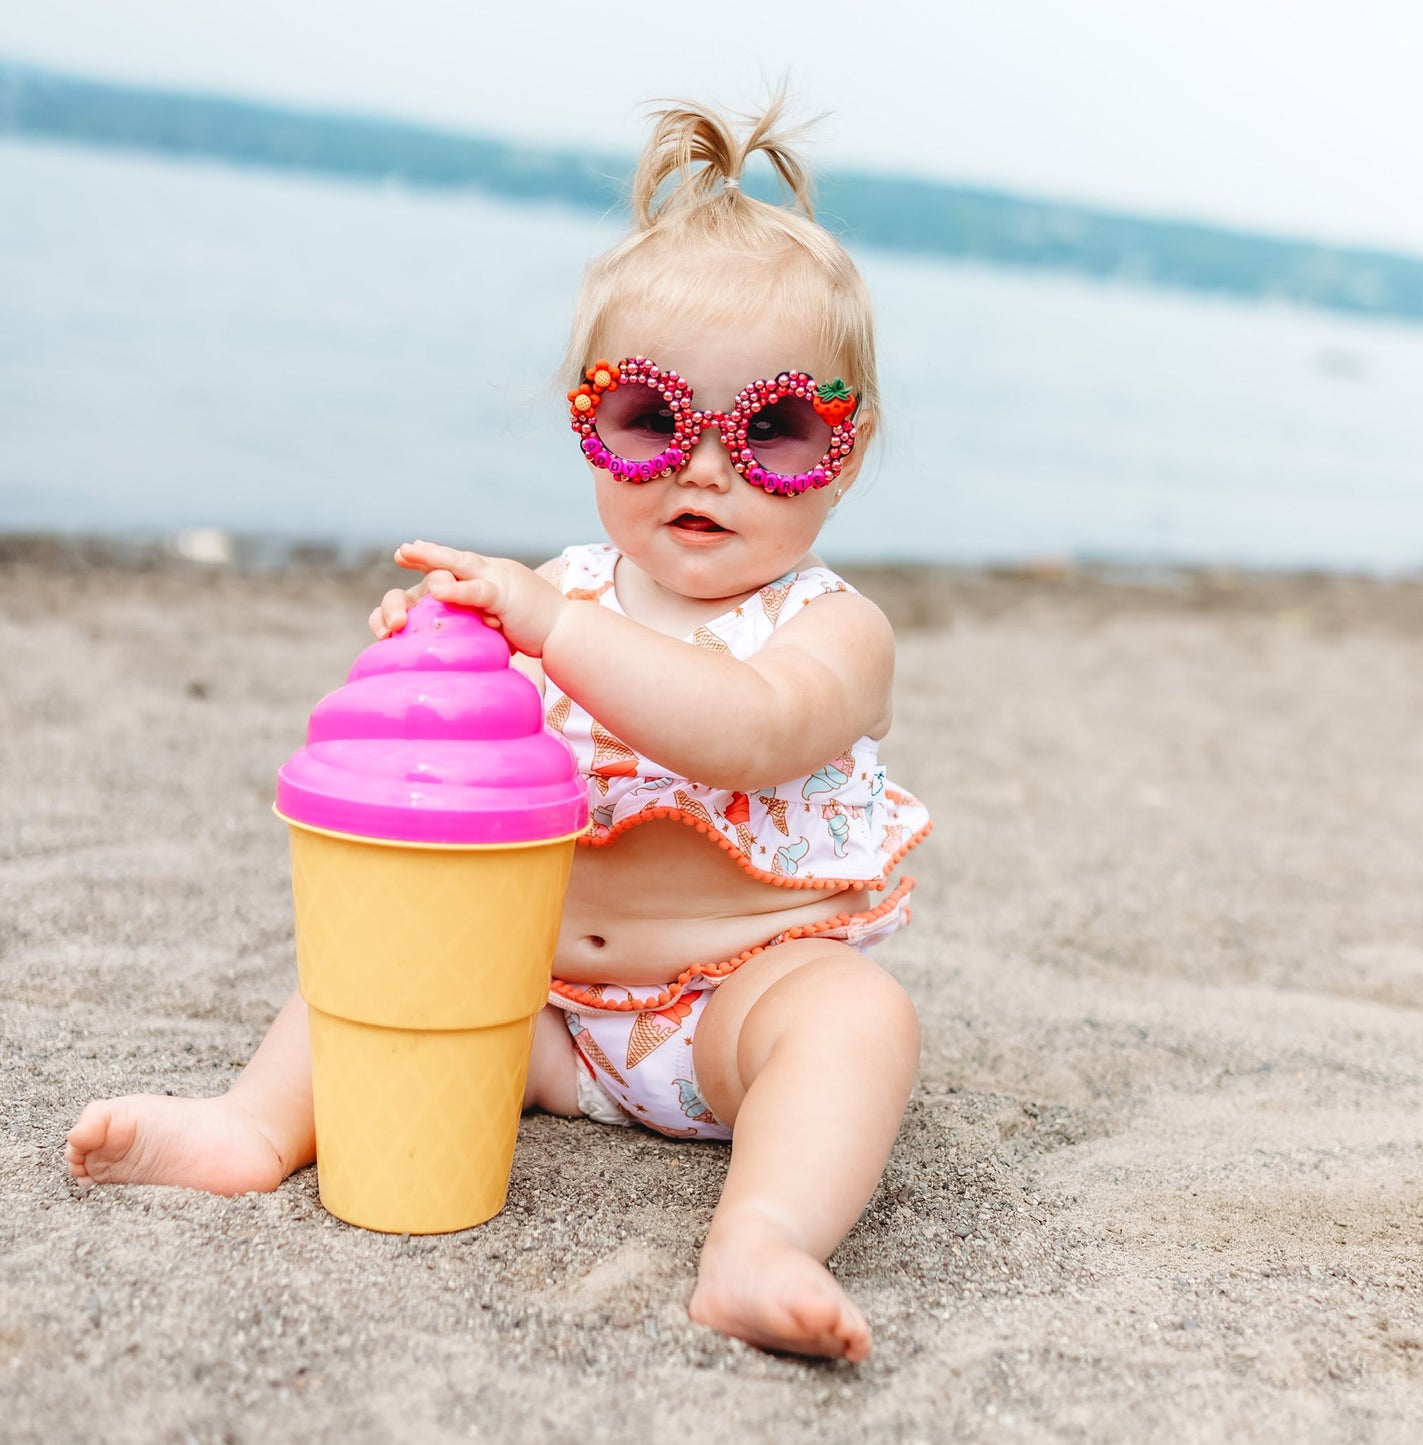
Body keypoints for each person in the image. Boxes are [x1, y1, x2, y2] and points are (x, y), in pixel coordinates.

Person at [66, 99, 931, 1363]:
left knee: (856, 1020)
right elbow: (461, 753)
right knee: (389, 962)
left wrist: (543, 626)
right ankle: (254, 1126)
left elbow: (744, 732)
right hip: (541, 1008)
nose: (703, 465)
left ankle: (764, 1234)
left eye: (774, 429)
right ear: (589, 421)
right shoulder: (561, 595)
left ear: (841, 455)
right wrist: (440, 649)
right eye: (649, 417)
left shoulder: (833, 630)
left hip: (729, 1015)